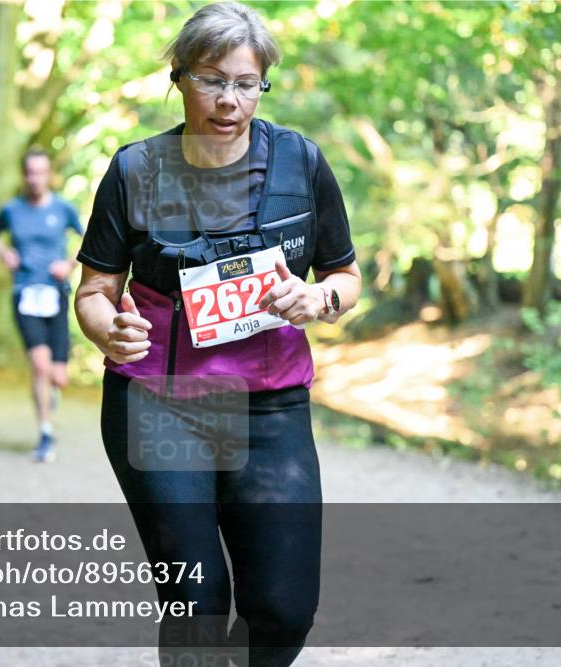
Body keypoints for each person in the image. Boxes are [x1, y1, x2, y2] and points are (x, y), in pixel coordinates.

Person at [73, 3, 362, 665]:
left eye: (245, 82)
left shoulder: (302, 164)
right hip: (159, 403)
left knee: (284, 610)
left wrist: (319, 297)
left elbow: (345, 275)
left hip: (272, 405)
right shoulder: (134, 170)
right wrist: (107, 332)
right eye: (211, 80)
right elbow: (94, 292)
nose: (229, 99)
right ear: (179, 79)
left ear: (263, 84)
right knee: (198, 603)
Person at [0, 148, 83, 463]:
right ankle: (45, 432)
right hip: (25, 292)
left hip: (56, 294)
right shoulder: (12, 210)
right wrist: (5, 254)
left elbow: (88, 239)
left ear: (49, 174)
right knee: (40, 366)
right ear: (24, 175)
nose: (35, 179)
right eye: (30, 173)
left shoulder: (63, 209)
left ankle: (50, 392)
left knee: (58, 376)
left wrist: (69, 263)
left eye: (41, 172)